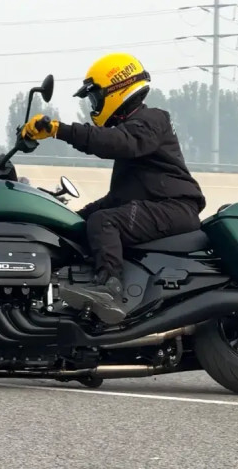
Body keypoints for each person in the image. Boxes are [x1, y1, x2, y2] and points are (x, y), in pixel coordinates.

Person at [20, 52, 206, 325]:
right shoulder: (133, 129)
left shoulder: (151, 120)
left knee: (104, 222)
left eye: (95, 97)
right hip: (158, 206)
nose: (94, 105)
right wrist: (68, 216)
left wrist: (58, 129)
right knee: (82, 223)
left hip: (175, 207)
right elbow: (119, 198)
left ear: (117, 89)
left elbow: (116, 142)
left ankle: (110, 290)